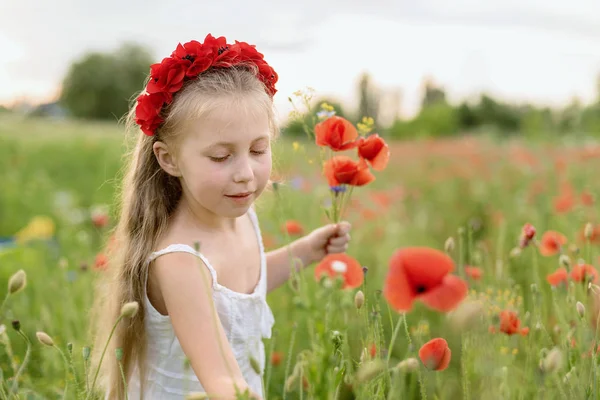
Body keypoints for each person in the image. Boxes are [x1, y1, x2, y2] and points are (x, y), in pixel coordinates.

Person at [90, 34, 352, 400]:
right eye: (221, 156)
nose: (245, 172)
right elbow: (224, 383)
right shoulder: (180, 261)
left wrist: (306, 251)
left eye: (258, 149)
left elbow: (243, 288)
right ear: (169, 159)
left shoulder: (239, 216)